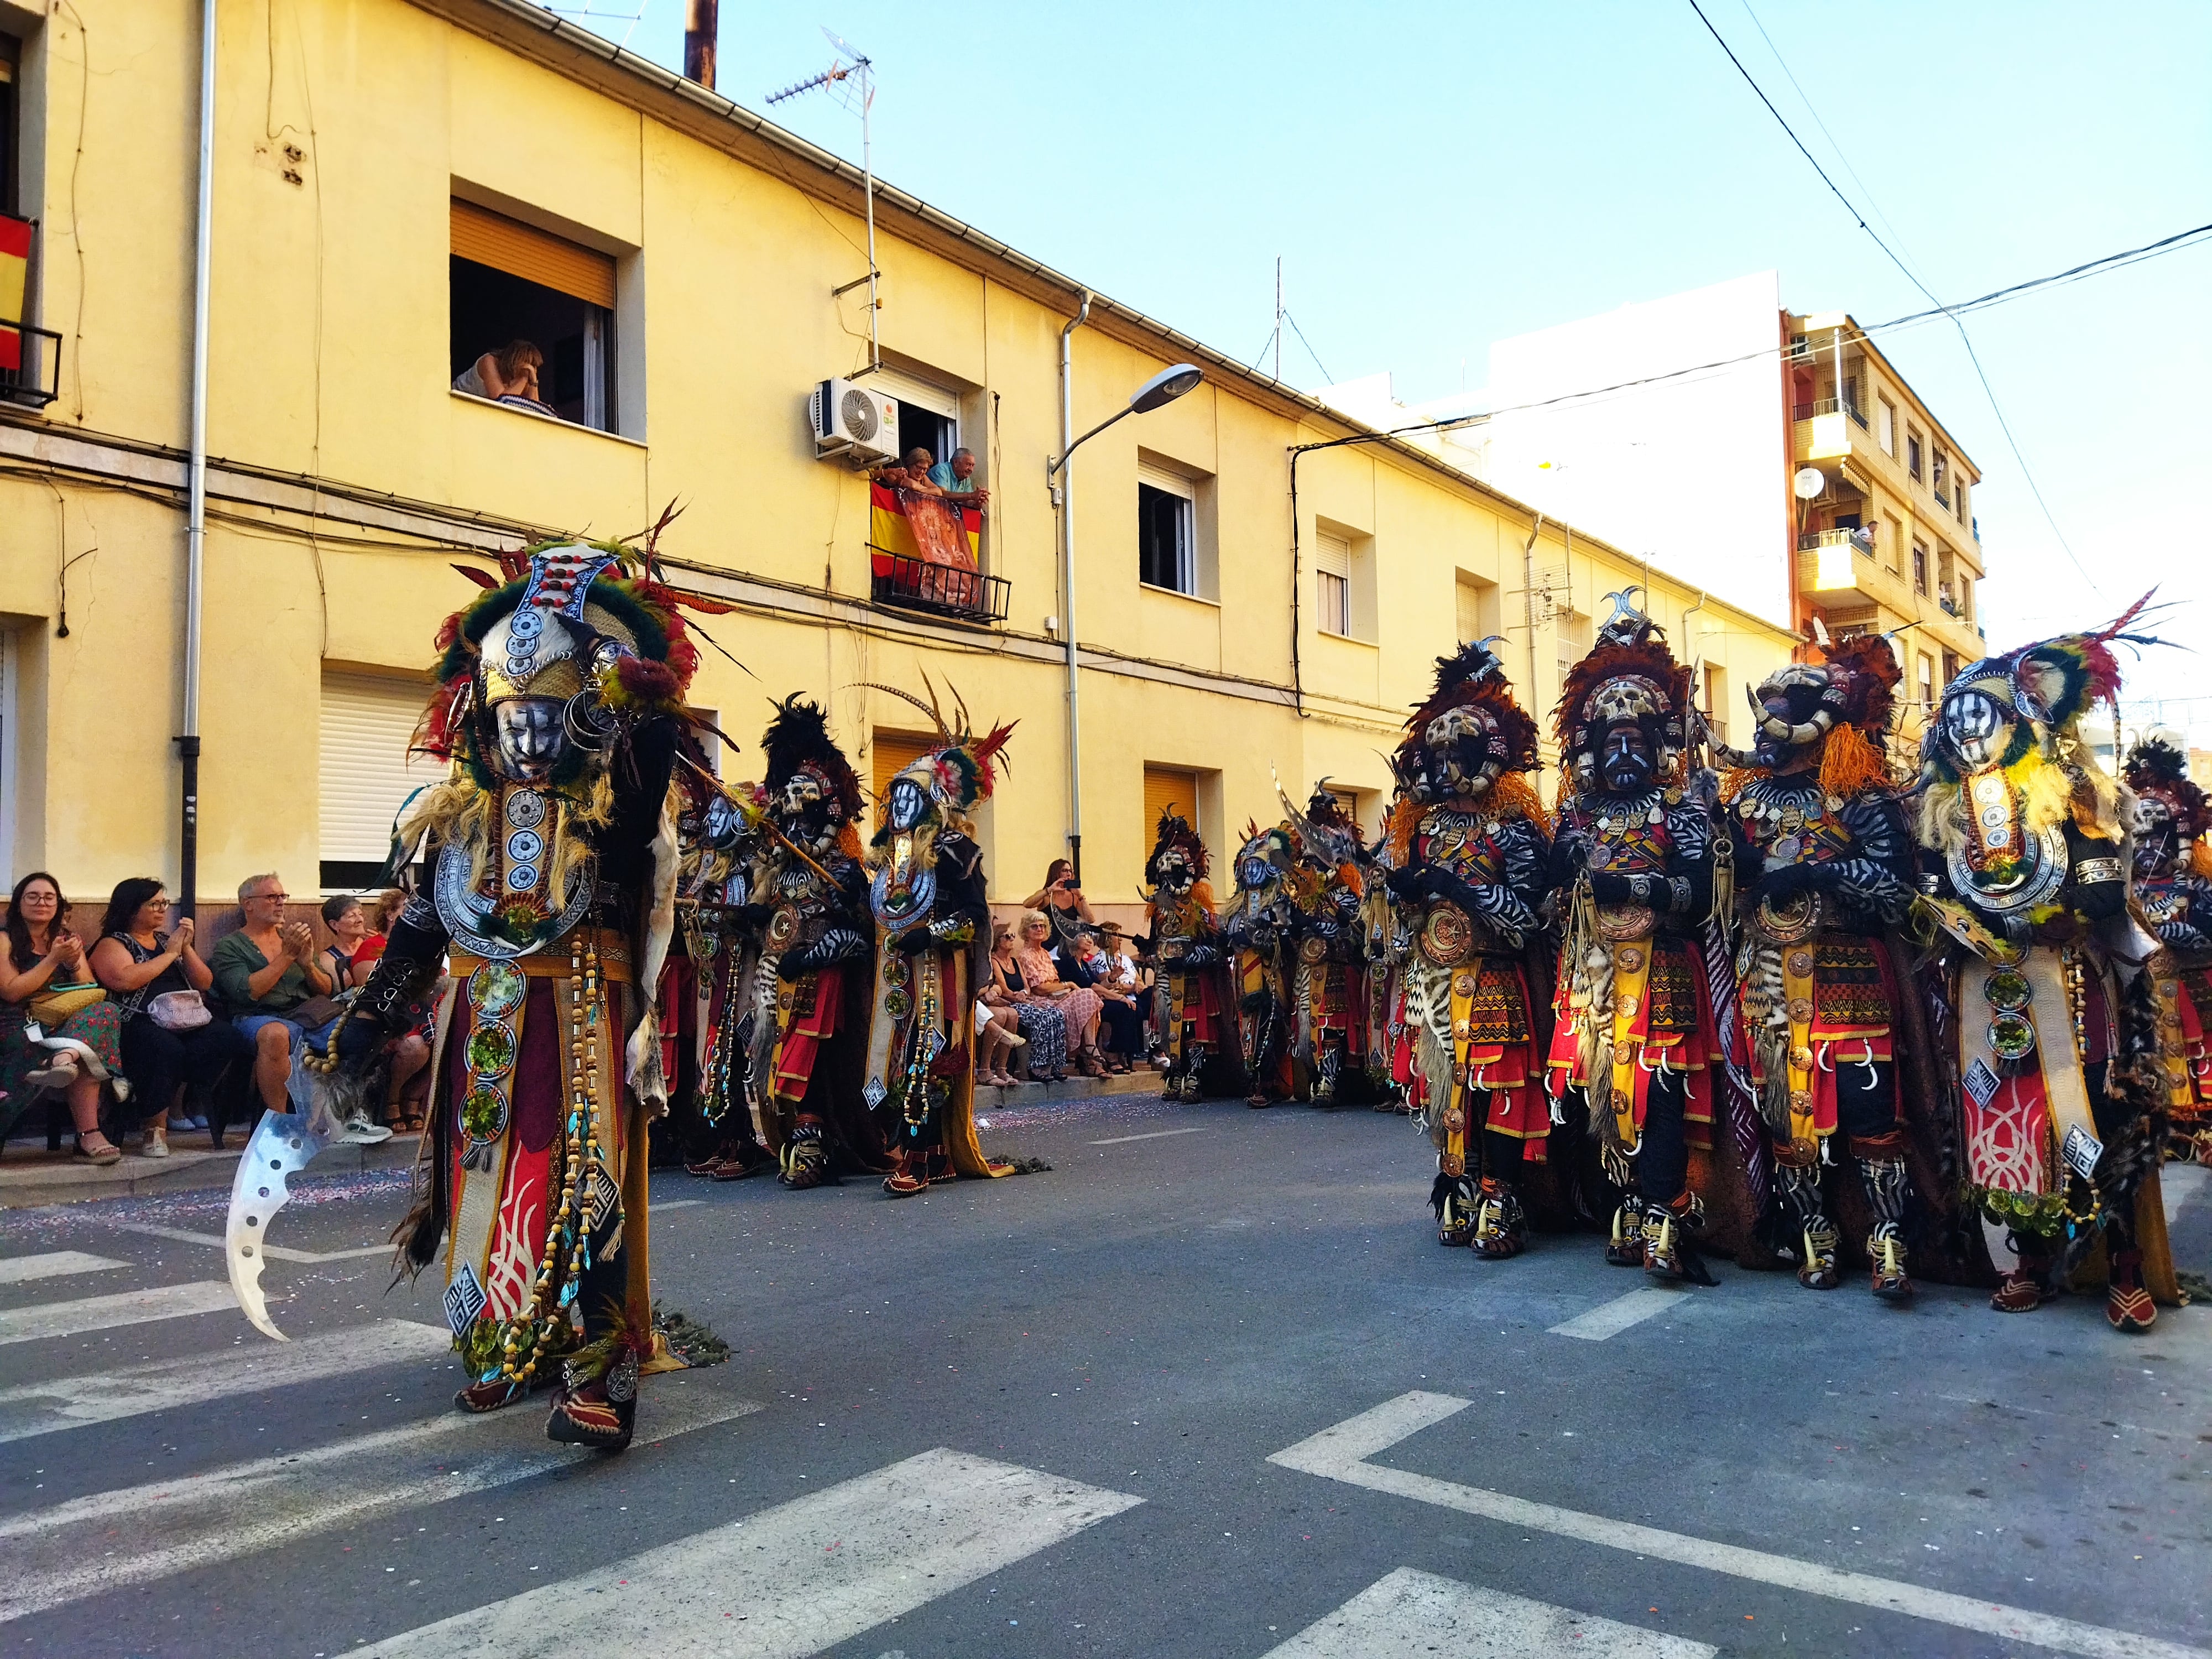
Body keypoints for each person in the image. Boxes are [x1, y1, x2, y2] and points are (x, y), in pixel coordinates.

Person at [332, 540, 716, 1449]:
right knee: (482, 1175)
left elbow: (638, 858)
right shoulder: (458, 807)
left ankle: (604, 1374)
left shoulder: (617, 800)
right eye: (516, 721)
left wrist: (651, 728)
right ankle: (502, 1335)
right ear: (486, 719)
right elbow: (425, 920)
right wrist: (370, 1023)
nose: (531, 739)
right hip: (481, 1018)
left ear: (581, 717)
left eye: (550, 719)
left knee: (585, 1178)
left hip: (582, 1011)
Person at [1918, 602, 2174, 1332]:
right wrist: (1952, 923)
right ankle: (2028, 1256)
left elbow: (2099, 887)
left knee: (2093, 1105)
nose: (1973, 740)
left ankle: (2122, 1263)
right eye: (1962, 727)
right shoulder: (1946, 808)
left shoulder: (2072, 791)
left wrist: (2071, 901)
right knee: (2003, 1109)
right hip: (1985, 983)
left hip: (2068, 977)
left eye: (1986, 723)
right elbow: (1935, 890)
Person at [1720, 637, 1921, 1298]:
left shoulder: (1859, 793)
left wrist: (1818, 870)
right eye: (1760, 725)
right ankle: (1814, 1231)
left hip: (1849, 975)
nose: (1762, 739)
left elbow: (1896, 884)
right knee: (1786, 1114)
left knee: (1870, 1112)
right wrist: (1730, 872)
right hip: (1768, 979)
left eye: (1776, 723)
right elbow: (1715, 885)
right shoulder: (1742, 800)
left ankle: (1887, 1239)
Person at [1544, 593, 1723, 1282]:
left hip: (1661, 973)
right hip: (1588, 975)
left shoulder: (1678, 809)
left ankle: (1663, 1214)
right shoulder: (1578, 813)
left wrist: (1630, 888)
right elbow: (1554, 887)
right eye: (1610, 742)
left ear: (1658, 749)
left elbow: (1699, 892)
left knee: (1660, 1092)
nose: (1622, 753)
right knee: (1597, 1091)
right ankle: (1619, 1206)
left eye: (1635, 742)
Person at [1379, 640, 1552, 1255]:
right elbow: (1402, 924)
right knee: (1444, 1086)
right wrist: (1402, 896)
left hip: (1494, 978)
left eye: (1463, 754)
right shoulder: (1420, 828)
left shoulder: (1516, 826)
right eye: (1441, 754)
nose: (1450, 767)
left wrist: (1462, 889)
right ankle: (1457, 1184)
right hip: (1431, 981)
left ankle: (1500, 1194)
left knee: (1495, 1087)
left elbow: (1527, 922)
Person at [860, 684, 1018, 1193]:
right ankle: (912, 1146)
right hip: (893, 974)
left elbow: (974, 916)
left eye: (912, 796)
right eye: (896, 796)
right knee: (888, 1057)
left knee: (927, 1057)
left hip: (937, 976)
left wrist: (930, 933)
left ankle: (921, 1154)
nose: (900, 805)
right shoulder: (890, 855)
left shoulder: (955, 850)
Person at [732, 696, 886, 1190]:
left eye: (806, 799)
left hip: (822, 984)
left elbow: (860, 937)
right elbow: (779, 922)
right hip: (777, 980)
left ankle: (815, 1146)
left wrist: (813, 956)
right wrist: (757, 921)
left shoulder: (842, 869)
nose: (794, 818)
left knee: (808, 1064)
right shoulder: (780, 871)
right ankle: (798, 1142)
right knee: (778, 1062)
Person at [211, 874, 390, 1142]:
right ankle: (279, 1125)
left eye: (283, 897)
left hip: (307, 1014)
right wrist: (287, 956)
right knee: (277, 1034)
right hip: (257, 1017)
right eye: (272, 897)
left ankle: (351, 1116)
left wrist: (307, 964)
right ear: (248, 904)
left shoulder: (290, 937)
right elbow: (248, 992)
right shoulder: (230, 946)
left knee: (360, 1029)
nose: (280, 903)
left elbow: (325, 990)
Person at [90, 878, 251, 1157]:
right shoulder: (113, 943)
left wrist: (185, 947)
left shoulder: (167, 941)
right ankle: (155, 1128)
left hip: (184, 1019)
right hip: (136, 1023)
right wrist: (171, 954)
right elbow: (124, 981)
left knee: (228, 1038)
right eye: (154, 903)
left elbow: (204, 981)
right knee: (165, 1048)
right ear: (131, 908)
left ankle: (178, 1099)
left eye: (164, 903)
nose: (162, 909)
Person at [2123, 735, 2212, 1166]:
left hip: (2193, 989)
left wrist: (2183, 932)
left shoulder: (2198, 881)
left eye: (2158, 834)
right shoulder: (2119, 891)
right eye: (2137, 836)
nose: (2147, 847)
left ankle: (2199, 1130)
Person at [0, 872, 125, 1161]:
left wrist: (72, 963)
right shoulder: (5, 940)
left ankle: (64, 1057)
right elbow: (11, 992)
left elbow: (89, 991)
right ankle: (89, 1135)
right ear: (19, 903)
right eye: (33, 897)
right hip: (17, 1021)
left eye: (49, 897)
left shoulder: (65, 939)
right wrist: (52, 960)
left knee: (106, 1011)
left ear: (58, 904)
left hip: (61, 1020)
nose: (41, 903)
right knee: (88, 1048)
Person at [1279, 784, 1373, 1104]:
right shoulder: (1299, 896)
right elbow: (1290, 935)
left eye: (1317, 861)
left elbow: (1358, 932)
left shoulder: (1347, 890)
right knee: (1304, 1025)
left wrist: (1332, 923)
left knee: (1331, 1027)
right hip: (1306, 972)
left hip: (1335, 970)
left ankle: (1331, 1082)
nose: (1311, 867)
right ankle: (1315, 1078)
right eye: (1308, 861)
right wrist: (1292, 925)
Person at [1142, 808, 1234, 1100]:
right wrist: (1150, 950)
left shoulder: (1201, 913)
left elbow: (1219, 949)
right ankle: (1176, 1072)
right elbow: (1156, 946)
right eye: (1165, 874)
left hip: (1194, 980)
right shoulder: (1158, 913)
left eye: (1176, 874)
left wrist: (1190, 958)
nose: (1169, 881)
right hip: (1166, 979)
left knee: (1195, 1029)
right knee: (1169, 1026)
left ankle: (1195, 1077)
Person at [1224, 822, 1299, 1107]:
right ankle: (1252, 1079)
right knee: (1247, 1025)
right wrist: (1234, 939)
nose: (1251, 872)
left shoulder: (1280, 900)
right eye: (1248, 867)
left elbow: (1286, 933)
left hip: (1270, 973)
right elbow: (1227, 933)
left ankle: (1267, 1082)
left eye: (1257, 867)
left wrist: (1263, 936)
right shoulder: (1236, 904)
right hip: (1243, 974)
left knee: (1270, 1024)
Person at [1014, 910, 1107, 1077]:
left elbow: (1054, 983)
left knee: (1089, 997)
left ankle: (1089, 1051)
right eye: (1034, 926)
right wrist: (1069, 984)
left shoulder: (1044, 954)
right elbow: (1039, 988)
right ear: (1026, 931)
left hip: (1056, 998)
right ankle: (1089, 1053)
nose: (1040, 929)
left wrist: (1061, 988)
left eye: (1043, 926)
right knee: (1087, 995)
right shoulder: (1025, 956)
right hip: (1041, 1001)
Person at [986, 917, 1065, 1083]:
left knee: (1056, 1014)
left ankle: (1053, 1065)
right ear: (998, 941)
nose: (1011, 940)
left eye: (1012, 936)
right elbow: (1004, 989)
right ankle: (1034, 1066)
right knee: (1041, 1017)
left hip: (1023, 999)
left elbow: (1027, 986)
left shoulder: (1014, 961)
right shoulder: (994, 960)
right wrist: (1018, 997)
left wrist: (1023, 992)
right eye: (1007, 937)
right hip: (1011, 1002)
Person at [1085, 925, 1142, 1073]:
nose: (1121, 939)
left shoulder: (1125, 958)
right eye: (1117, 935)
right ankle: (1115, 1054)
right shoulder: (1100, 959)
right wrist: (1130, 988)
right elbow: (1111, 987)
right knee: (1128, 1009)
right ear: (1108, 938)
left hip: (1131, 995)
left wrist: (1138, 985)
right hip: (1112, 998)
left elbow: (1139, 980)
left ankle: (1156, 1052)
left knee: (1152, 1001)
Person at [453, 340, 552, 416]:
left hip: (477, 413)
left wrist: (533, 383)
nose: (531, 369)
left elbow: (533, 408)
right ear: (516, 360)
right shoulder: (489, 361)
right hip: (457, 406)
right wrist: (523, 378)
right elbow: (501, 399)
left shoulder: (523, 377)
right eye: (529, 364)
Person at [1022, 859, 1096, 952]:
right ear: (1056, 873)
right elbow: (1027, 904)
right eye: (1065, 871)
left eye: (1070, 871)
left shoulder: (1074, 897)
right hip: (1047, 947)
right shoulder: (1047, 896)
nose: (1069, 874)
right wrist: (1049, 890)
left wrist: (1080, 895)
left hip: (1066, 949)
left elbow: (1091, 919)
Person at [925, 447, 990, 505]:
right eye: (968, 464)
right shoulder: (941, 470)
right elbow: (942, 494)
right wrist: (971, 495)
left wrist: (978, 500)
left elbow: (969, 503)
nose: (971, 469)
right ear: (956, 462)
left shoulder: (966, 478)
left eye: (973, 466)